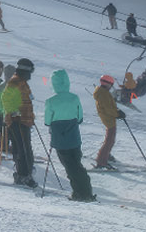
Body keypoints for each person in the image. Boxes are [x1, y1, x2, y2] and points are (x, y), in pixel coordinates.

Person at [45, 69, 97, 202]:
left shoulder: (51, 101)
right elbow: (80, 117)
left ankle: (80, 193)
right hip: (74, 137)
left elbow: (47, 121)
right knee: (77, 164)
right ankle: (86, 191)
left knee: (70, 167)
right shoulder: (75, 98)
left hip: (60, 139)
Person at [0, 58, 37, 187]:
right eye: (30, 72)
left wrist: (30, 117)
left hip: (25, 120)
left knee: (25, 147)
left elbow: (27, 100)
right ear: (24, 71)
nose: (31, 75)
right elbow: (5, 98)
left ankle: (25, 173)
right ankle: (23, 175)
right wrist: (13, 111)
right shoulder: (15, 82)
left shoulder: (23, 82)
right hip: (17, 121)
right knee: (22, 149)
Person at [93, 74, 124, 169]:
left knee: (110, 139)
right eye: (111, 84)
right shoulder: (103, 93)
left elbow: (109, 106)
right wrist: (117, 114)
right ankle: (101, 161)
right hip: (109, 118)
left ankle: (106, 156)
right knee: (109, 140)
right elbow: (108, 108)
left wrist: (117, 111)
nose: (111, 87)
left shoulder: (102, 92)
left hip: (108, 117)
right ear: (107, 84)